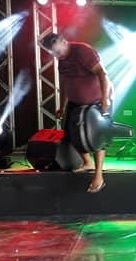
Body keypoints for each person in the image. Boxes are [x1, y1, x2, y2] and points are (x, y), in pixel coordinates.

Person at [41, 32, 111, 193]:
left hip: (95, 101)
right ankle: (87, 162)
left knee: (98, 137)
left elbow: (102, 73)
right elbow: (65, 84)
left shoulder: (82, 51)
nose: (57, 55)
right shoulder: (61, 60)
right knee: (70, 134)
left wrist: (105, 99)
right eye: (53, 53)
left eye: (58, 51)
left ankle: (99, 176)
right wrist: (62, 106)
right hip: (75, 103)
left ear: (64, 42)